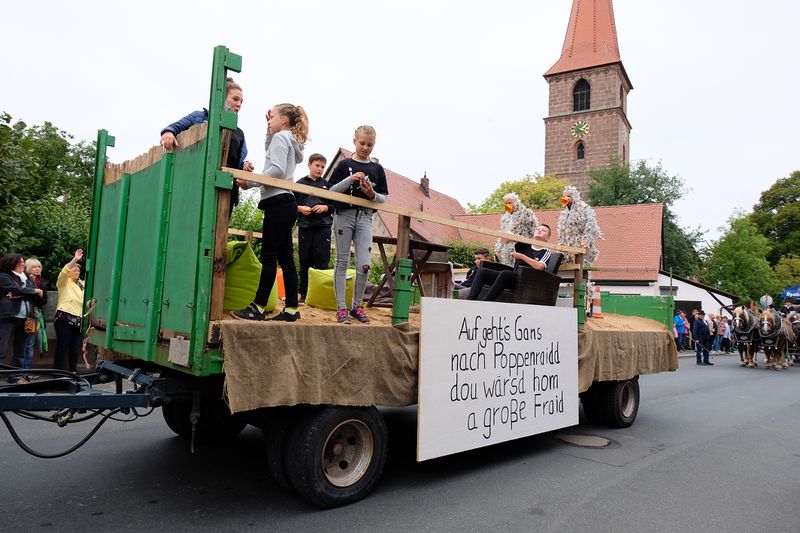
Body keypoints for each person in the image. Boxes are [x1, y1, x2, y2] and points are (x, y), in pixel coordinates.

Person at [232, 103, 308, 322]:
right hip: (286, 203)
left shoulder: (280, 139)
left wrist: (250, 182)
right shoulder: (288, 140)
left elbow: (276, 170)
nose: (268, 120)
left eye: (271, 117)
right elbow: (271, 154)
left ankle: (258, 306)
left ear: (283, 119)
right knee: (285, 258)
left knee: (269, 256)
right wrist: (268, 129)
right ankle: (292, 309)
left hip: (277, 202)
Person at [159, 77, 254, 215]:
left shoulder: (239, 133)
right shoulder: (199, 117)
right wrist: (168, 133)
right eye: (235, 99)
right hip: (194, 184)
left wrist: (245, 166)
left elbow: (238, 162)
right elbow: (174, 127)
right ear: (221, 98)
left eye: (241, 101)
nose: (239, 104)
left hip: (224, 191)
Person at [327, 125, 389, 324]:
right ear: (355, 140)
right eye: (362, 143)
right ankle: (341, 308)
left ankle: (357, 306)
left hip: (364, 217)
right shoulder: (344, 165)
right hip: (343, 214)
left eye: (369, 145)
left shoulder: (377, 169)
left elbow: (383, 198)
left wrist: (371, 193)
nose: (365, 147)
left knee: (365, 265)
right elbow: (331, 190)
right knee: (342, 261)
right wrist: (350, 180)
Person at [467, 224, 552, 301]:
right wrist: (505, 236)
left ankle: (487, 302)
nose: (539, 230)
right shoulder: (525, 245)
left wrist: (522, 256)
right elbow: (510, 237)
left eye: (543, 230)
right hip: (513, 278)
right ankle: (470, 301)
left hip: (527, 283)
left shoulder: (546, 251)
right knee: (482, 272)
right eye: (538, 229)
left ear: (547, 238)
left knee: (505, 273)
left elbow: (540, 266)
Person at [294, 153, 334, 302]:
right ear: (309, 165)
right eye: (317, 165)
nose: (320, 169)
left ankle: (319, 295)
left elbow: (335, 206)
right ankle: (302, 293)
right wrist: (300, 209)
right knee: (305, 260)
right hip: (305, 226)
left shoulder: (328, 186)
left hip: (323, 226)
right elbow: (291, 203)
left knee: (322, 261)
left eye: (322, 167)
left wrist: (325, 207)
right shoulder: (299, 183)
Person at [0, 253, 45, 383]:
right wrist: (27, 291)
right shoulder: (4, 276)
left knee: (20, 351)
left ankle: (15, 377)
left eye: (23, 261)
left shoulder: (26, 277)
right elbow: (17, 288)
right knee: (1, 349)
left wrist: (19, 293)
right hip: (8, 317)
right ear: (11, 263)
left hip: (25, 318)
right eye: (20, 262)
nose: (23, 263)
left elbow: (34, 294)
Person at [54, 249, 85, 373]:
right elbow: (64, 272)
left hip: (79, 319)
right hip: (64, 317)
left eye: (78, 270)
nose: (76, 272)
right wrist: (75, 259)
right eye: (74, 270)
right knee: (63, 345)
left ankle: (73, 372)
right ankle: (57, 372)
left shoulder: (81, 286)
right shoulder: (63, 283)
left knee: (75, 347)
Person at [557, 186, 602, 266]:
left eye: (568, 196)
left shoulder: (584, 208)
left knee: (581, 266)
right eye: (564, 196)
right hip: (567, 248)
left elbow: (591, 226)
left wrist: (585, 242)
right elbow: (562, 232)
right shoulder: (563, 213)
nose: (565, 198)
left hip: (580, 246)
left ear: (574, 196)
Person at [23, 258, 48, 379]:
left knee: (30, 345)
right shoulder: (23, 279)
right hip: (23, 315)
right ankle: (17, 374)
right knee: (22, 344)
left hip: (35, 316)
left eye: (39, 266)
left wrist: (40, 295)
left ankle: (25, 373)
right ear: (28, 268)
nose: (37, 269)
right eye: (34, 267)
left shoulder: (42, 282)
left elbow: (43, 301)